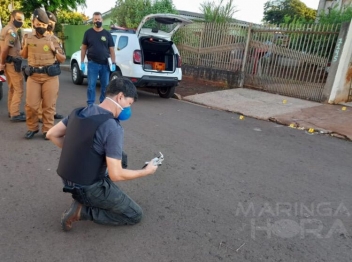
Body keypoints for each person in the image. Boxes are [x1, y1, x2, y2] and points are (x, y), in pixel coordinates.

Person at [46, 77, 158, 232]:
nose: (129, 109)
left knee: (120, 157)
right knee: (134, 214)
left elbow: (52, 134)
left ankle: (86, 198)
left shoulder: (80, 111)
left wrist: (79, 152)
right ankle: (82, 212)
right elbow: (116, 175)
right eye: (129, 103)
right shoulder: (112, 127)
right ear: (120, 97)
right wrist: (146, 171)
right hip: (87, 186)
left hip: (68, 178)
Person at [21, 8, 66, 140]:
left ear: (47, 25)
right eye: (38, 24)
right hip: (33, 77)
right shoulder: (27, 37)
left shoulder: (54, 39)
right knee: (31, 105)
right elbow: (23, 55)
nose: (40, 27)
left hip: (49, 77)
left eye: (43, 25)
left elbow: (62, 59)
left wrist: (54, 50)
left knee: (49, 105)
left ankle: (47, 129)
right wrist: (25, 47)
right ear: (33, 23)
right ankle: (32, 128)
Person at [81, 11, 116, 106]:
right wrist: (82, 62)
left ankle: (103, 104)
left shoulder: (107, 34)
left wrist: (113, 63)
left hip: (105, 64)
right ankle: (90, 104)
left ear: (102, 20)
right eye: (95, 19)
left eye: (99, 19)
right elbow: (83, 48)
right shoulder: (88, 33)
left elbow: (112, 50)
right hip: (93, 64)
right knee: (91, 86)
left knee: (105, 86)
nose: (97, 21)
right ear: (93, 21)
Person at [37, 11, 64, 122]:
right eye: (50, 21)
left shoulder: (55, 39)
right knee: (41, 95)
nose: (51, 24)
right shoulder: (38, 37)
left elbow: (61, 54)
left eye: (53, 22)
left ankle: (51, 112)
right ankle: (40, 115)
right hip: (41, 70)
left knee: (53, 94)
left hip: (53, 69)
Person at [0, 10, 26, 122]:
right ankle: (15, 113)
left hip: (8, 62)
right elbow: (5, 49)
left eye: (22, 20)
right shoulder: (12, 32)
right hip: (12, 63)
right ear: (12, 18)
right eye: (19, 19)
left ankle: (12, 110)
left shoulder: (5, 29)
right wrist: (1, 63)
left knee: (12, 88)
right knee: (19, 88)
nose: (21, 22)